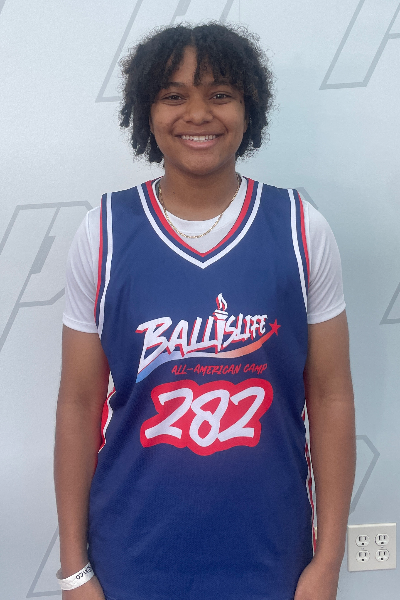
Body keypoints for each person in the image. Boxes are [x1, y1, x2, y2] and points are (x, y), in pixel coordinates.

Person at [54, 23, 356, 600]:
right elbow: (79, 403)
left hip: (273, 553)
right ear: (147, 112)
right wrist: (74, 570)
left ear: (249, 109)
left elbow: (331, 396)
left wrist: (328, 562)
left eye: (220, 94)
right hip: (131, 555)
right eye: (174, 95)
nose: (197, 114)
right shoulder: (103, 232)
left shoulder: (301, 229)